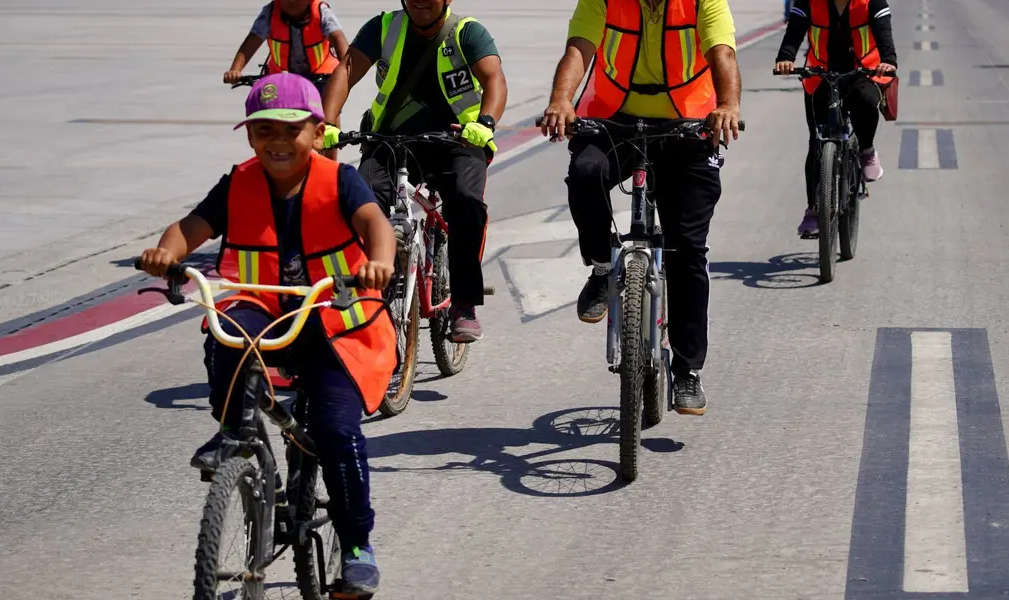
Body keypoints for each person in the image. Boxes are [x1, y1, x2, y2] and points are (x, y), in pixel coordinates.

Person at [137, 73, 394, 597]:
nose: (277, 141)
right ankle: (234, 429)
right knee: (226, 328)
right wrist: (167, 252)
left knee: (336, 432)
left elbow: (374, 223)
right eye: (262, 131)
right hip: (266, 312)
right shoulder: (238, 182)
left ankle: (357, 547)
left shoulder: (340, 181)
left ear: (317, 132)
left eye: (290, 130)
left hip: (334, 321)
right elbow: (190, 227)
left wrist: (380, 263)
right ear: (250, 137)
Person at [540, 0, 744, 415]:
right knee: (585, 173)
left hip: (687, 123)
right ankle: (601, 266)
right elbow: (580, 47)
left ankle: (687, 370)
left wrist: (728, 105)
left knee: (687, 248)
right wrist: (562, 99)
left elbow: (721, 51)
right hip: (613, 117)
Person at [320, 0, 508, 343]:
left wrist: (485, 123)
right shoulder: (383, 28)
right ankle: (364, 292)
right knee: (360, 202)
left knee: (466, 203)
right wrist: (327, 122)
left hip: (458, 141)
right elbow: (346, 71)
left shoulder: (468, 33)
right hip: (391, 140)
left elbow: (494, 79)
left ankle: (464, 303)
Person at [774, 0, 897, 237]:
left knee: (864, 99)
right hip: (822, 74)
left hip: (864, 71)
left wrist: (888, 61)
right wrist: (786, 57)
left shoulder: (871, 2)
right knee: (816, 142)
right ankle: (814, 209)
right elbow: (795, 30)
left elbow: (884, 32)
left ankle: (867, 150)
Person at [223, 0, 350, 91]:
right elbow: (251, 42)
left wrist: (347, 70)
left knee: (330, 113)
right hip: (280, 78)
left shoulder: (322, 12)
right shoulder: (270, 12)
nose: (291, 1)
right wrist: (235, 70)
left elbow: (339, 40)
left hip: (321, 77)